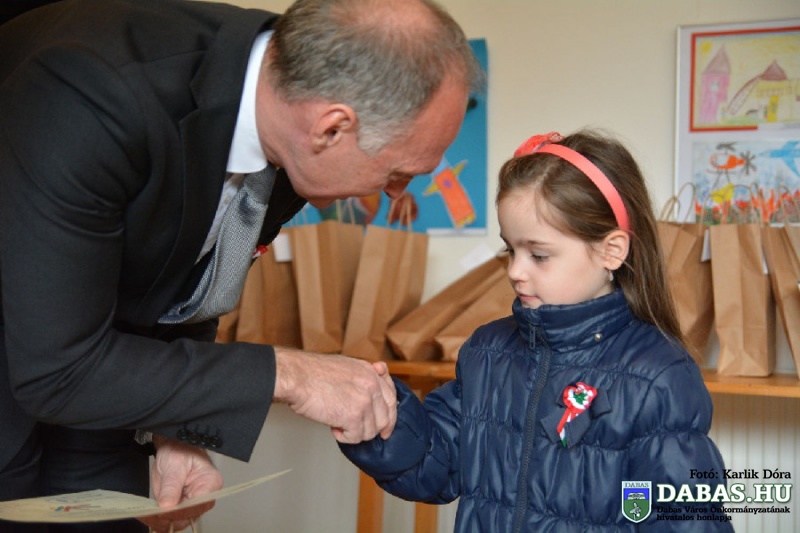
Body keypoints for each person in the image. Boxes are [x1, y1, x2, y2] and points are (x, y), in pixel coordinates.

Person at [0, 0, 483, 531]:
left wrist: (175, 425)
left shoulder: (286, 128)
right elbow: (58, 369)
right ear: (331, 129)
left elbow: (195, 282)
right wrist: (292, 374)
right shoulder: (96, 94)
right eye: (397, 172)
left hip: (102, 394)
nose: (395, 193)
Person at [341, 130, 734, 531]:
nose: (515, 271)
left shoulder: (659, 376)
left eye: (539, 255)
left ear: (611, 251)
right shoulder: (487, 351)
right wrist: (377, 415)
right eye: (510, 250)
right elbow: (433, 464)